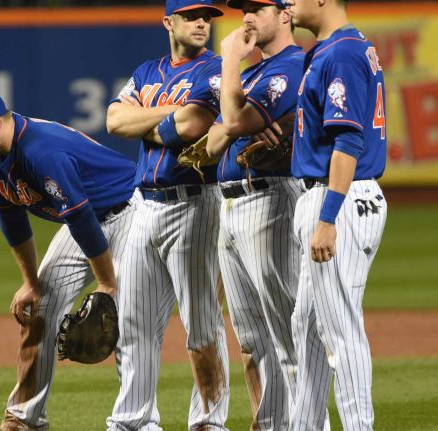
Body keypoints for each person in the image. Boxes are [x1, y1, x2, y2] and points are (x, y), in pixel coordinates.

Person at [0, 87, 138, 431]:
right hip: (87, 219)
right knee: (41, 305)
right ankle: (24, 418)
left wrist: (108, 284)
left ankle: (131, 422)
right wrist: (31, 283)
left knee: (128, 316)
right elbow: (12, 219)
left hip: (132, 211)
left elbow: (81, 219)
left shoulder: (42, 151)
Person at [105, 1, 231, 429]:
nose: (202, 23)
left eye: (207, 17)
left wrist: (148, 120)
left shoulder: (215, 70)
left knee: (202, 325)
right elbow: (113, 120)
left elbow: (193, 124)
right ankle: (134, 421)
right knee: (133, 321)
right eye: (192, 16)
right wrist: (165, 117)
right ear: (168, 22)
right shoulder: (147, 71)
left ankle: (208, 421)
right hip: (144, 206)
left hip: (196, 202)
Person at [203, 0, 309, 429]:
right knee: (252, 341)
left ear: (286, 14)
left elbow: (229, 123)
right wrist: (235, 119)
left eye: (259, 7)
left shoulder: (292, 66)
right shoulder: (251, 75)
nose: (246, 16)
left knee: (289, 333)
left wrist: (228, 59)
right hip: (229, 205)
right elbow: (211, 144)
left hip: (271, 203)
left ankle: (308, 424)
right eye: (243, 7)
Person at [287, 0, 388, 429]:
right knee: (307, 327)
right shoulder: (336, 48)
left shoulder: (343, 52)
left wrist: (327, 218)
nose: (287, 1)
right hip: (338, 196)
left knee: (340, 332)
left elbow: (348, 141)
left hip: (340, 199)